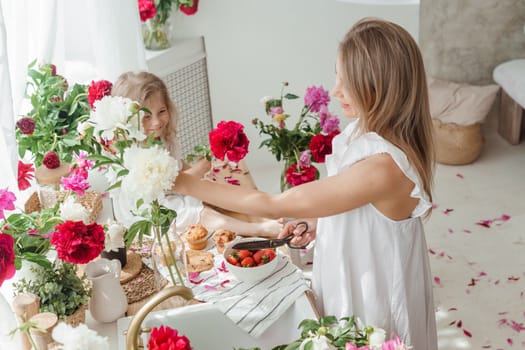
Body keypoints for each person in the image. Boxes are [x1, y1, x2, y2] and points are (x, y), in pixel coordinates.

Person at [172, 18, 438, 349]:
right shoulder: (361, 134)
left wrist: (184, 183)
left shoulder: (383, 168)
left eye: (346, 81)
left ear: (379, 87)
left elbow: (273, 204)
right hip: (352, 272)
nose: (335, 89)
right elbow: (357, 209)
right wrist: (319, 220)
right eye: (337, 75)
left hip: (374, 291)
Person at [110, 71, 282, 237]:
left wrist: (200, 174)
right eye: (146, 117)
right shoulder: (134, 153)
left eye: (161, 111)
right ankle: (259, 229)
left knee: (213, 194)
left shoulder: (162, 137)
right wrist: (203, 166)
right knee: (200, 213)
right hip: (150, 205)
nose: (156, 122)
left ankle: (263, 208)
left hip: (173, 189)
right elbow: (174, 184)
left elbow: (178, 165)